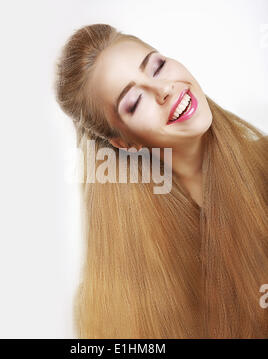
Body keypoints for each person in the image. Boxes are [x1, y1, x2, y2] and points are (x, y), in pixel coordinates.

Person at [54, 23, 268, 338]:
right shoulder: (129, 286)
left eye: (157, 66)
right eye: (135, 101)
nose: (164, 89)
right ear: (123, 143)